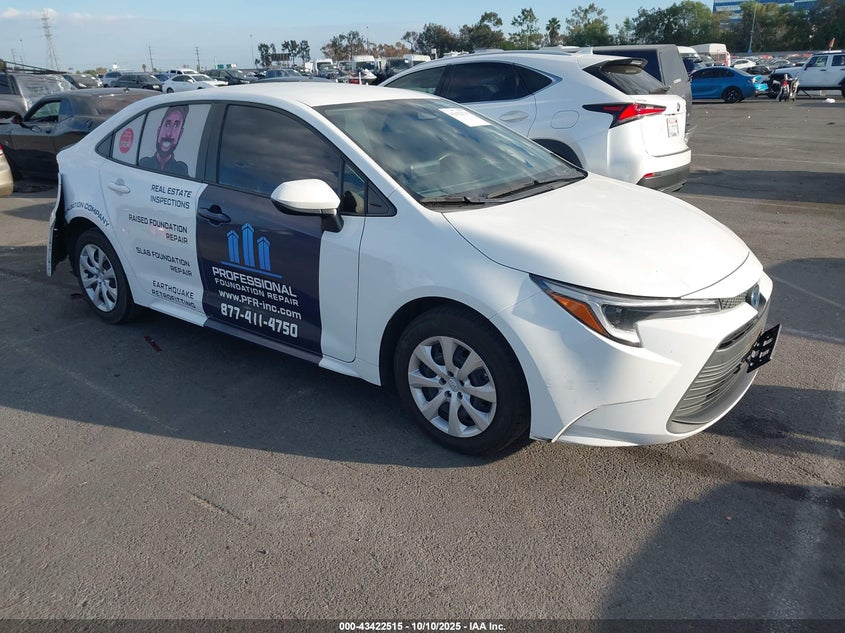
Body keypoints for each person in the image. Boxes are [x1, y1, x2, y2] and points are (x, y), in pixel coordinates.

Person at [139, 105, 189, 175]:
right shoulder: (144, 164)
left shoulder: (181, 170)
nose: (169, 134)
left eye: (176, 126)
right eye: (167, 125)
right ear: (159, 130)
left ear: (180, 134)